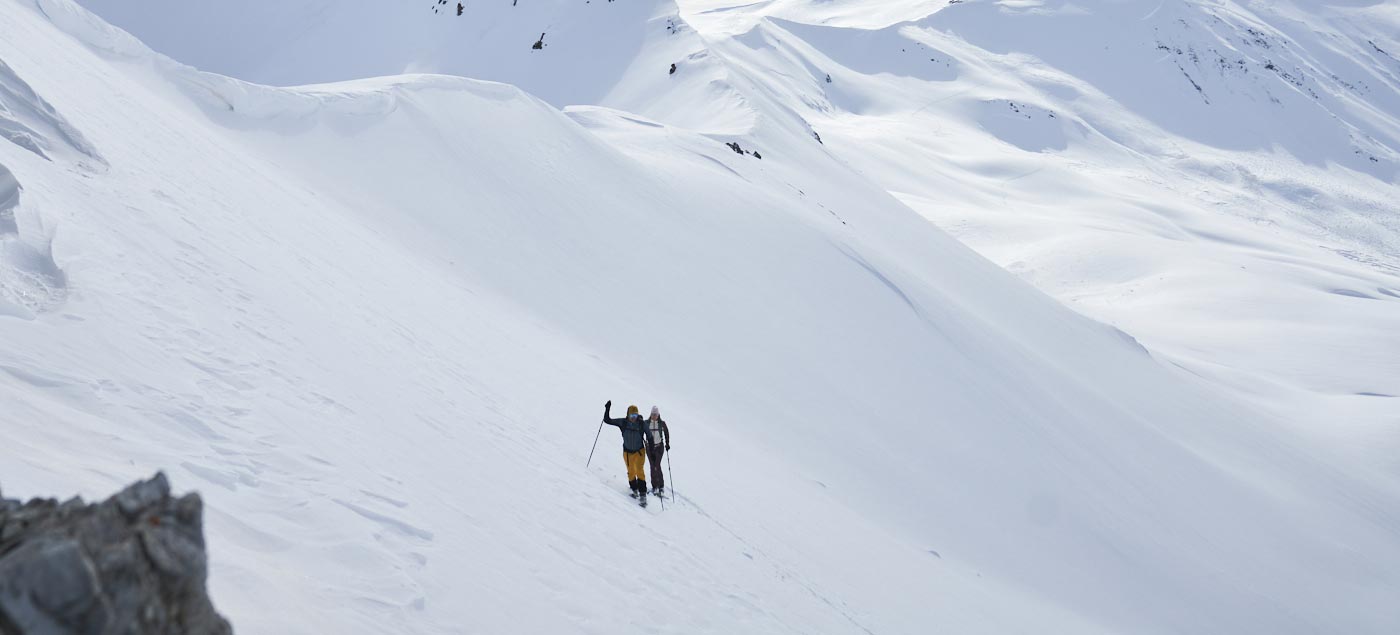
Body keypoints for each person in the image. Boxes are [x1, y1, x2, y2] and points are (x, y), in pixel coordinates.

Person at [602, 400, 653, 506]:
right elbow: (607, 420)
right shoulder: (623, 422)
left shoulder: (641, 424)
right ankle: (634, 490)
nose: (633, 417)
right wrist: (607, 408)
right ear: (628, 415)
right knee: (631, 472)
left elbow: (650, 436)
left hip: (639, 452)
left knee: (639, 471)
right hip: (627, 453)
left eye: (635, 415)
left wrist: (651, 449)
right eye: (631, 415)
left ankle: (643, 495)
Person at [645, 406, 670, 496]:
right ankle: (654, 486)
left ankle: (661, 486)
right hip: (649, 447)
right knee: (652, 466)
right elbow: (640, 429)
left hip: (659, 447)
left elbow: (666, 433)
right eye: (652, 414)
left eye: (655, 414)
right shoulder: (646, 423)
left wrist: (667, 444)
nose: (654, 416)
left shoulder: (662, 423)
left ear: (658, 414)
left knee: (657, 465)